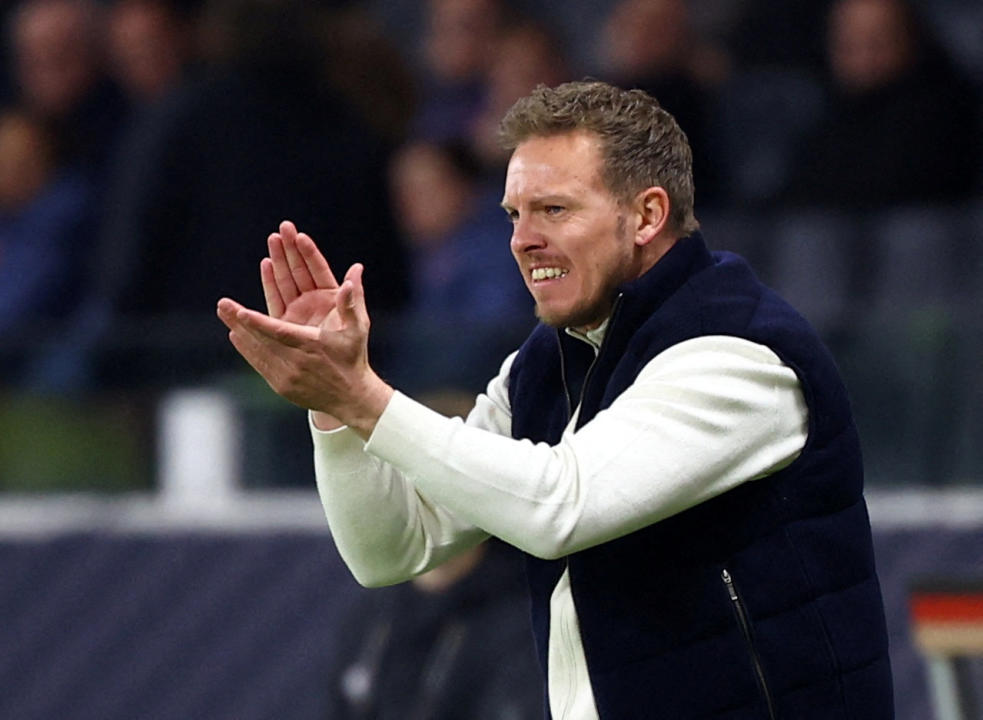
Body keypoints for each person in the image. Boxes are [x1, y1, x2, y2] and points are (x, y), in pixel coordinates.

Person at [217, 80, 894, 719]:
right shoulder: (544, 366)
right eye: (513, 213)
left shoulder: (738, 355)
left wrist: (364, 397)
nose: (521, 239)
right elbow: (391, 548)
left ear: (647, 215)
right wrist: (333, 411)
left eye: (554, 209)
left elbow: (562, 506)